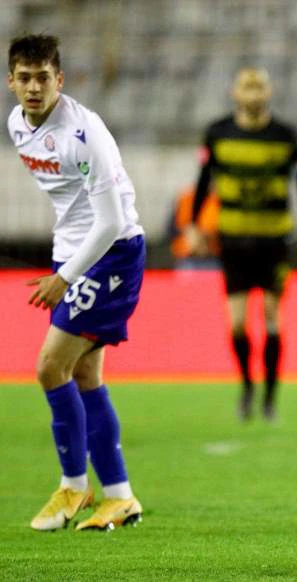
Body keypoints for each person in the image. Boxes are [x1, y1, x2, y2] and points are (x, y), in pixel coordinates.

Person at [7, 34, 145, 531]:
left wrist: (64, 278)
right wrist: (65, 261)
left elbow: (110, 221)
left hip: (111, 253)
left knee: (50, 367)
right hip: (74, 251)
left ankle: (73, 487)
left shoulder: (83, 133)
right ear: (11, 81)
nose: (34, 87)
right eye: (24, 78)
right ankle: (120, 497)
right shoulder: (16, 124)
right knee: (85, 376)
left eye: (43, 77)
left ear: (59, 80)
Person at [186, 67, 297, 422]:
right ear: (235, 93)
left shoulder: (286, 136)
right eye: (248, 88)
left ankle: (270, 398)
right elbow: (203, 181)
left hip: (274, 239)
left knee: (273, 318)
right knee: (237, 323)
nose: (254, 94)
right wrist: (193, 225)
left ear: (269, 92)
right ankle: (247, 386)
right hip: (232, 238)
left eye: (259, 87)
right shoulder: (217, 133)